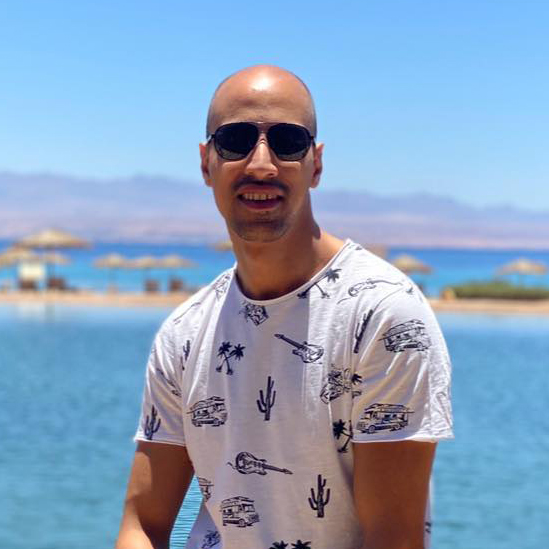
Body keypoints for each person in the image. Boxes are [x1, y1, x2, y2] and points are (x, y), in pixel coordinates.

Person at [115, 65, 453, 549]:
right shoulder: (184, 333)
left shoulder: (383, 315)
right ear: (206, 163)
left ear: (316, 165)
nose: (261, 164)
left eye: (288, 142)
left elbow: (393, 537)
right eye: (235, 140)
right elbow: (143, 524)